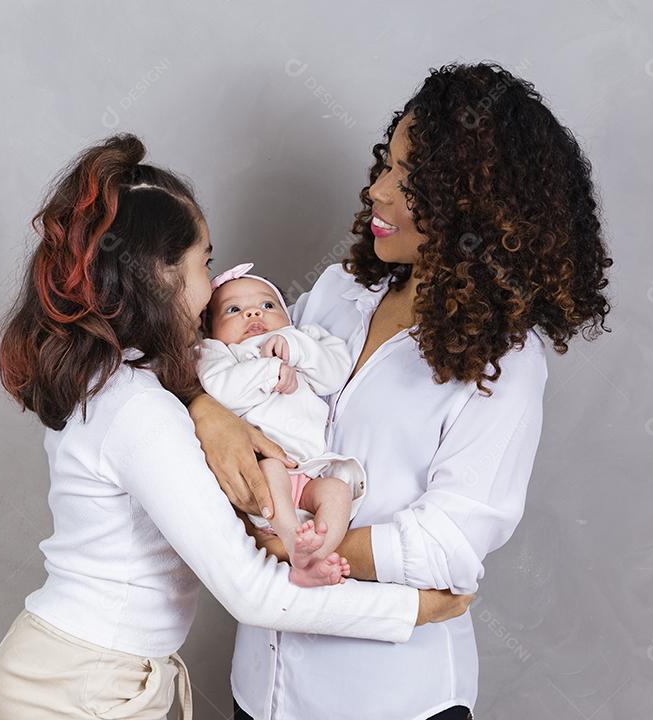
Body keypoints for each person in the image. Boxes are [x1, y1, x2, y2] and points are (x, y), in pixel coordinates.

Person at [0, 133, 474, 720]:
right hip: (81, 684)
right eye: (206, 262)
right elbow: (251, 591)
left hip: (82, 667)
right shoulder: (140, 410)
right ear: (162, 277)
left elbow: (185, 388)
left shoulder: (118, 378)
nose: (213, 284)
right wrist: (416, 610)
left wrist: (207, 406)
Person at [187, 62, 613, 719]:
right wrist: (206, 411)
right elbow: (235, 375)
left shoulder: (506, 360)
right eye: (385, 164)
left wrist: (292, 547)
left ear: (475, 204)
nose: (378, 192)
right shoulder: (337, 293)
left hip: (387, 698)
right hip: (262, 686)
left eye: (407, 180)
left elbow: (452, 546)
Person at [198, 262, 367, 587]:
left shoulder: (304, 339)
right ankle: (293, 544)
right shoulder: (219, 353)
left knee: (337, 491)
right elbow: (221, 391)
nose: (253, 315)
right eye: (234, 310)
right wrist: (270, 370)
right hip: (261, 474)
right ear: (212, 330)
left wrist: (298, 350)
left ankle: (314, 557)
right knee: (273, 467)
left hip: (310, 471)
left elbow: (335, 373)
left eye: (267, 305)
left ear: (288, 317)